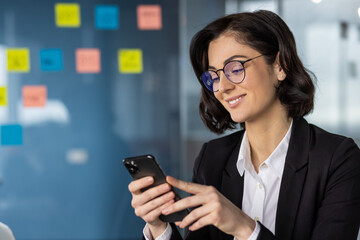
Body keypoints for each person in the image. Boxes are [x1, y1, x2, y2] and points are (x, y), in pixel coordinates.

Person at [128, 10, 360, 240]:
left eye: (236, 68)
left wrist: (245, 228)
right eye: (214, 76)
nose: (222, 87)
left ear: (280, 66)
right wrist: (159, 228)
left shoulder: (338, 159)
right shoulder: (213, 158)